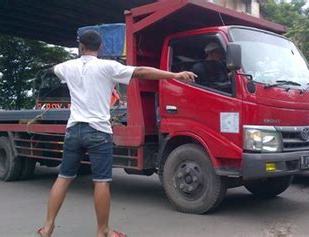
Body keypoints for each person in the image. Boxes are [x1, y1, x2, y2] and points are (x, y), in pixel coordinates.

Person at [37, 30, 196, 237]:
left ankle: (47, 227)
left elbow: (53, 69)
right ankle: (102, 231)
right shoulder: (108, 67)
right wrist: (174, 75)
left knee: (63, 178)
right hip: (98, 131)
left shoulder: (67, 67)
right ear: (100, 47)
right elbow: (141, 71)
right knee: (101, 181)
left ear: (80, 46)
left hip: (74, 130)